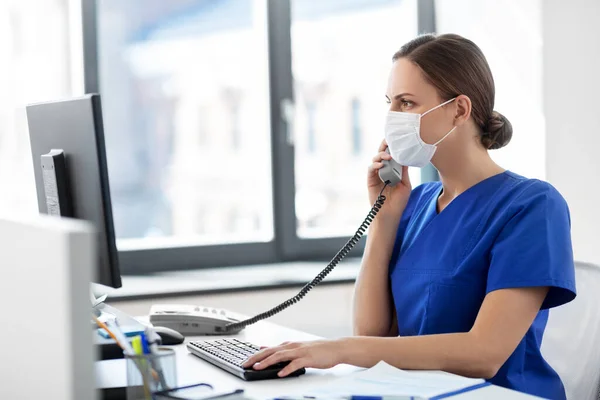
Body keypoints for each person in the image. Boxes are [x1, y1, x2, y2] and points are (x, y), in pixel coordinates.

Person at [243, 33, 576, 400]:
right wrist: (383, 221)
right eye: (390, 103)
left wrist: (337, 350)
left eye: (407, 103)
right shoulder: (415, 203)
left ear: (460, 109)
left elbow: (485, 354)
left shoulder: (532, 205)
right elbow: (373, 334)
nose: (392, 118)